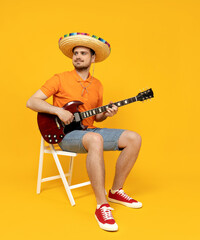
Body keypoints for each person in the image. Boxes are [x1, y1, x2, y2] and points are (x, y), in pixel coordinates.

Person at [26, 32, 142, 232]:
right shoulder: (59, 79)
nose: (78, 56)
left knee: (134, 138)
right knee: (95, 138)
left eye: (83, 53)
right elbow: (32, 101)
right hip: (64, 135)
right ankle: (102, 206)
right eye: (75, 53)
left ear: (93, 58)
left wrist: (107, 113)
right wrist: (58, 111)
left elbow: (96, 119)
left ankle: (116, 191)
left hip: (89, 131)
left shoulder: (97, 85)